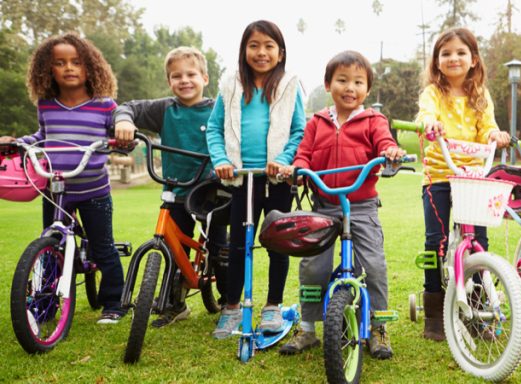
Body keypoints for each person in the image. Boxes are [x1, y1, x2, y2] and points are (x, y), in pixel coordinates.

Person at [276, 50, 404, 359]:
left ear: (367, 90)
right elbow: (304, 153)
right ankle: (306, 328)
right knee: (312, 267)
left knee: (373, 266)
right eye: (342, 80)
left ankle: (378, 328)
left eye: (358, 82)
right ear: (328, 84)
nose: (350, 88)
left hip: (361, 206)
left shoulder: (374, 120)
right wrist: (296, 168)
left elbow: (384, 142)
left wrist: (390, 151)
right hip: (324, 204)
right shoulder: (317, 122)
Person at [0, 33, 126, 324]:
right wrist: (18, 142)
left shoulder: (104, 105)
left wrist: (123, 137)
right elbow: (43, 137)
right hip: (56, 190)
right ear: (48, 69)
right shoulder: (47, 105)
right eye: (60, 63)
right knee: (51, 246)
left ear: (90, 67)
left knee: (103, 247)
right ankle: (45, 304)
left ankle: (114, 304)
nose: (68, 68)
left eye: (76, 62)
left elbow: (119, 132)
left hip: (94, 190)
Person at [113, 46, 228, 328]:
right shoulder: (164, 109)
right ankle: (175, 303)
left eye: (191, 74)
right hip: (176, 190)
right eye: (177, 76)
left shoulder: (218, 110)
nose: (184, 80)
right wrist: (125, 121)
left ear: (205, 78)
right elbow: (128, 107)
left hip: (211, 191)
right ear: (169, 81)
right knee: (174, 247)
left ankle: (230, 302)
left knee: (220, 247)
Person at [205, 20, 305, 339]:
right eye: (254, 45)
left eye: (268, 46)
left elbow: (299, 131)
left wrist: (284, 160)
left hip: (276, 180)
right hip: (241, 180)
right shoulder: (231, 85)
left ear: (280, 52)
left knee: (278, 243)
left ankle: (273, 306)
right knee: (238, 245)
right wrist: (221, 161)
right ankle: (232, 306)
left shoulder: (289, 85)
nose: (261, 52)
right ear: (244, 50)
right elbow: (216, 129)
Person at [415, 27, 511, 341]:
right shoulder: (433, 93)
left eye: (460, 53)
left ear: (473, 59)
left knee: (479, 241)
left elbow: (488, 126)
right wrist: (429, 123)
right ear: (436, 61)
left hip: (473, 176)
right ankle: (434, 305)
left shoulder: (479, 94)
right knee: (435, 241)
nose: (453, 58)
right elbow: (425, 115)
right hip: (439, 176)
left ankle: (479, 305)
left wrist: (495, 136)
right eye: (446, 53)